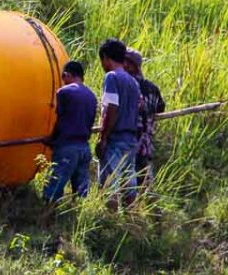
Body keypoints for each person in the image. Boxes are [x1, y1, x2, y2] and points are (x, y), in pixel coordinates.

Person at [42, 61, 98, 203]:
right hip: (84, 147)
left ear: (66, 75)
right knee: (81, 193)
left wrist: (51, 139)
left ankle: (47, 220)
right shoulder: (91, 96)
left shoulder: (65, 92)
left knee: (53, 188)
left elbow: (60, 121)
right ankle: (80, 220)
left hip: (67, 147)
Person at [95, 39, 141, 205]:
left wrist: (103, 137)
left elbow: (111, 108)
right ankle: (130, 222)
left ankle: (110, 223)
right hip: (131, 139)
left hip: (115, 138)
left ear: (106, 58)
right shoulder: (134, 82)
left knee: (109, 186)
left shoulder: (112, 77)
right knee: (129, 185)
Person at [125, 48, 165, 192]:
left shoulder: (127, 85)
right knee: (144, 182)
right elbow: (161, 107)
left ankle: (131, 210)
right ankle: (145, 209)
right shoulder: (152, 88)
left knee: (126, 180)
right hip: (146, 143)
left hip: (128, 139)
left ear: (131, 65)